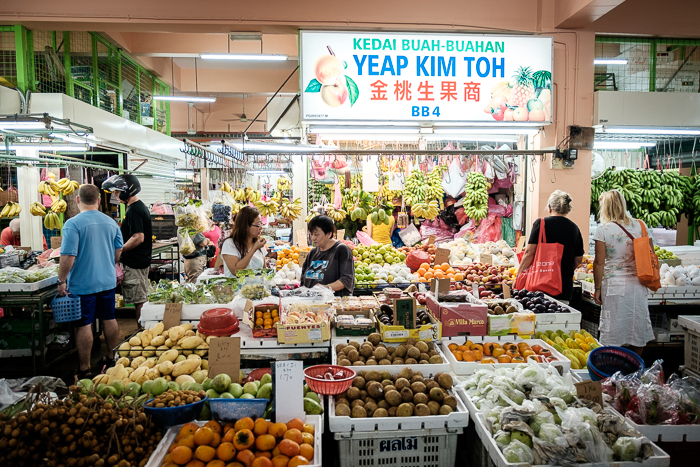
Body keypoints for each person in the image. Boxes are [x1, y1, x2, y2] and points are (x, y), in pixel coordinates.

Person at [57, 185, 124, 379]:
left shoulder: (73, 224)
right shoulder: (111, 223)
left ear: (77, 200)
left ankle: (85, 368)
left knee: (85, 324)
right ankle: (112, 357)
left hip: (83, 283)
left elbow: (68, 255)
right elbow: (117, 254)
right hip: (107, 281)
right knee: (109, 318)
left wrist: (62, 280)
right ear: (99, 201)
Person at [593, 190, 655, 355]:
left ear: (605, 207)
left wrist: (597, 288)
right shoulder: (640, 225)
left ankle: (614, 368)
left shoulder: (603, 230)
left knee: (613, 329)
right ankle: (635, 368)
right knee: (637, 326)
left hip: (614, 285)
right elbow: (651, 254)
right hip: (638, 284)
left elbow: (599, 262)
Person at [102, 174, 152, 327]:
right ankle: (142, 332)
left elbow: (138, 237)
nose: (115, 195)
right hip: (138, 262)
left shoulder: (134, 211)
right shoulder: (137, 207)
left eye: (117, 192)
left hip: (135, 263)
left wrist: (120, 250)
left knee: (139, 301)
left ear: (126, 191)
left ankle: (142, 333)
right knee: (140, 298)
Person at [516, 190, 584, 303]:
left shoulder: (541, 223)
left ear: (549, 207)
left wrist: (519, 275)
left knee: (538, 314)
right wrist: (562, 270)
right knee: (561, 317)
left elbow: (529, 253)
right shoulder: (574, 228)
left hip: (539, 287)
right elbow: (578, 259)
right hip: (563, 287)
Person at [301, 215, 355, 296]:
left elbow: (347, 279)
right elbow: (303, 279)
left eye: (316, 234)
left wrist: (325, 288)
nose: (313, 238)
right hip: (312, 303)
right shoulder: (312, 252)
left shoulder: (341, 250)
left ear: (329, 234)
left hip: (333, 304)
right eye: (311, 234)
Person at [221, 206, 267, 277]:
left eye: (261, 224)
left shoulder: (259, 244)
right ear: (245, 226)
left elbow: (264, 270)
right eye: (258, 224)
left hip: (256, 287)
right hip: (235, 287)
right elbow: (235, 271)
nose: (261, 227)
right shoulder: (229, 244)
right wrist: (254, 249)